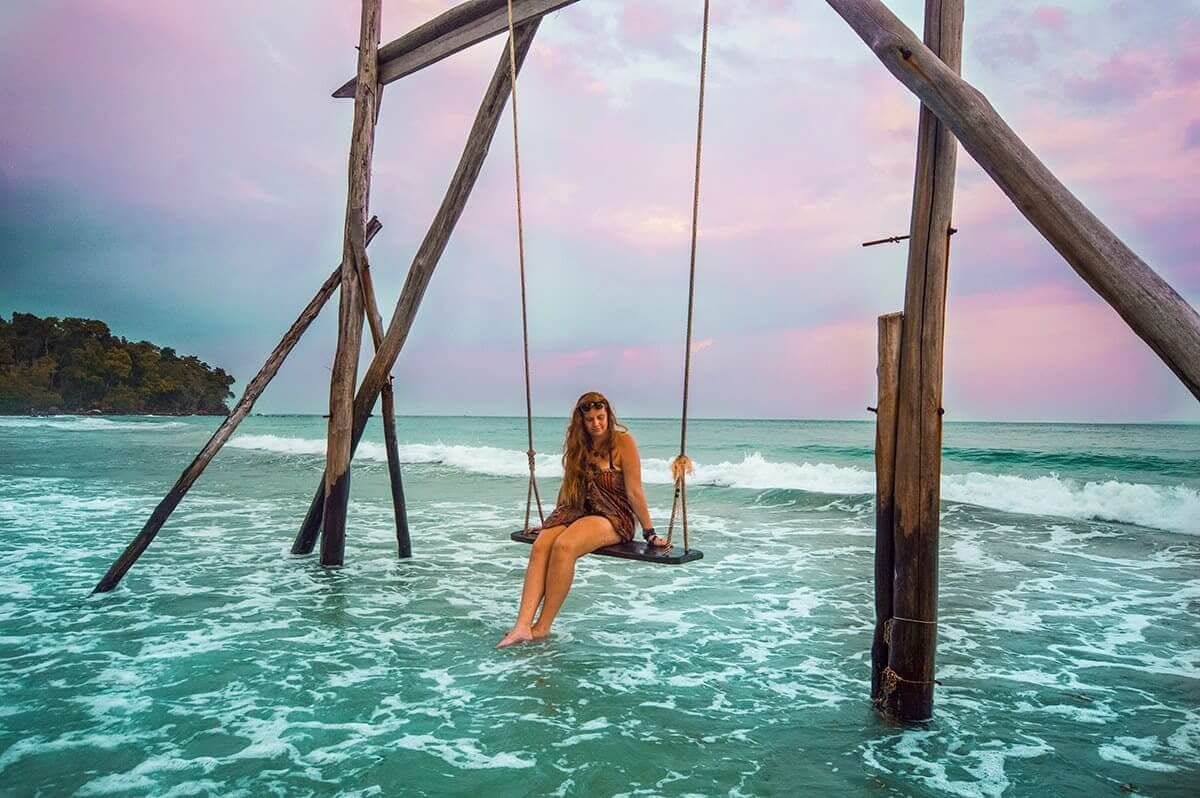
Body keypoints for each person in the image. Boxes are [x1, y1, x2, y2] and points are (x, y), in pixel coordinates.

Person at [497, 391, 669, 648]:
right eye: (589, 419)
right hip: (578, 510)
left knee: (565, 546)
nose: (596, 424)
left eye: (600, 417)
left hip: (613, 515)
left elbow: (634, 491)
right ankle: (522, 626)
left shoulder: (623, 442)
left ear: (609, 416)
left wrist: (649, 532)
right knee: (543, 543)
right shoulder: (579, 444)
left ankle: (542, 627)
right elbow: (569, 487)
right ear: (581, 422)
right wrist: (550, 523)